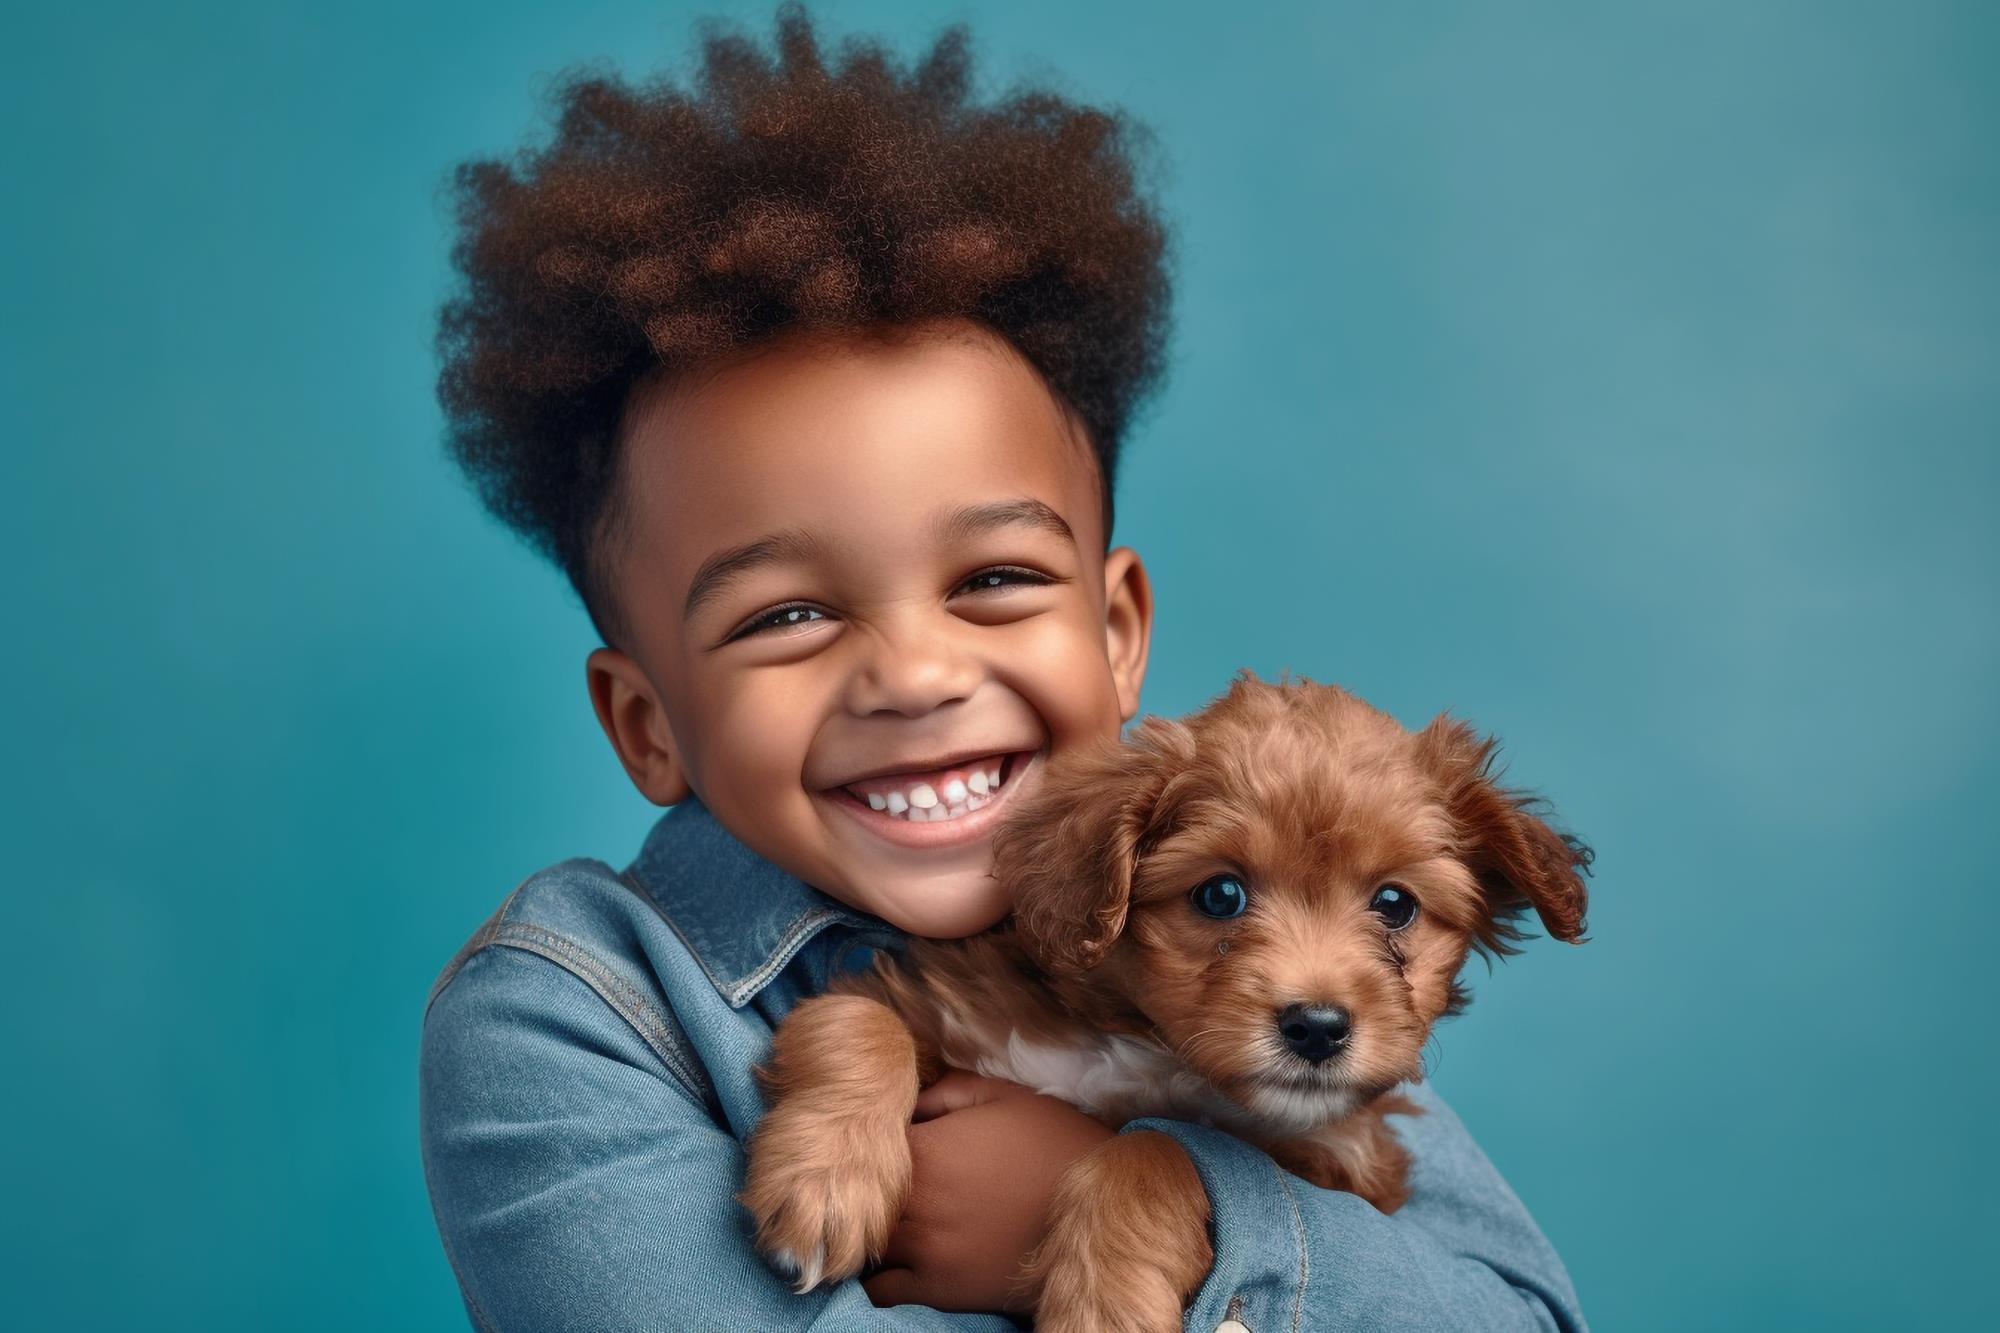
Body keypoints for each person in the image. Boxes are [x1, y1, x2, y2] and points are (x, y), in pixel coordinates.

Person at [419, 6, 1587, 1329]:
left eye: (991, 580)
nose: (914, 674)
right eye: (787, 615)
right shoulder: (573, 1010)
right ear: (645, 722)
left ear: (1117, 632)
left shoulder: (1256, 1008)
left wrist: (1163, 1207)